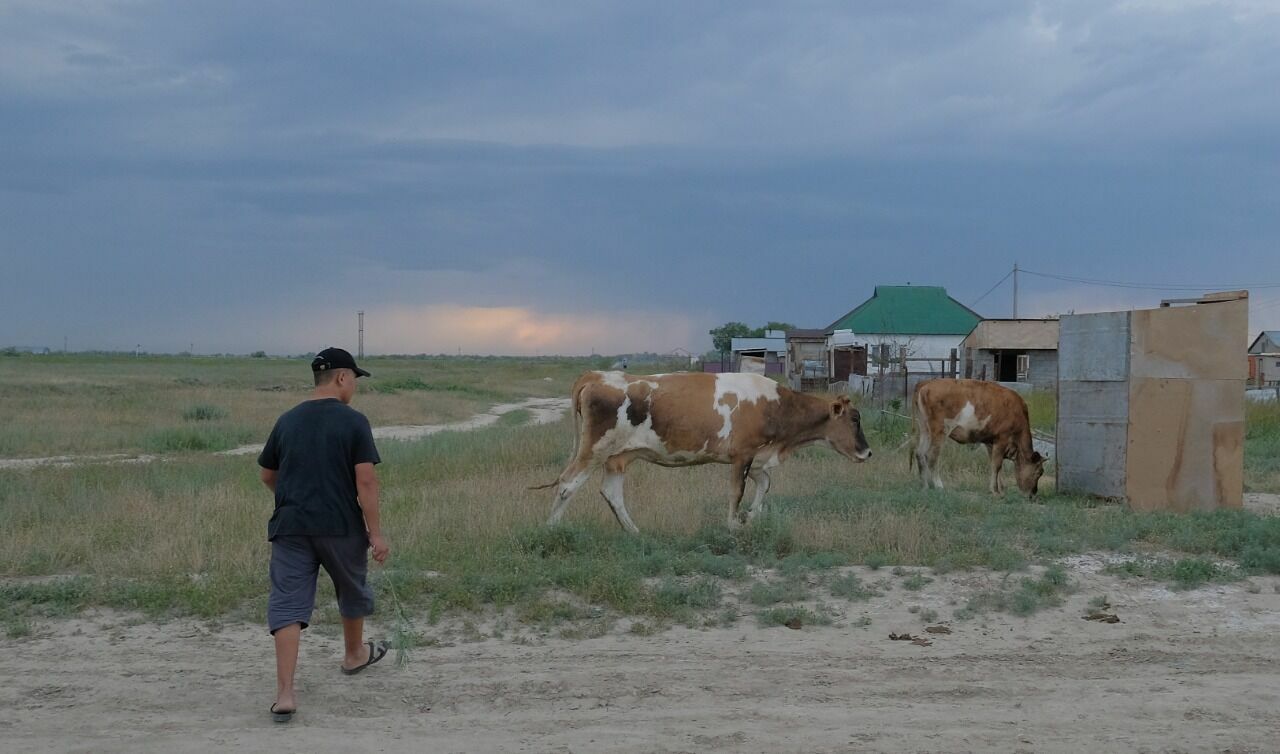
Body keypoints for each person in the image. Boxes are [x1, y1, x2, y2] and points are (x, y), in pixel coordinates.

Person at [257, 346, 391, 723]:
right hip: (340, 525)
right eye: (355, 380)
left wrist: (292, 498)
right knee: (351, 589)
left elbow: (267, 474)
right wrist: (376, 533)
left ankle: (285, 693)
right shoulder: (354, 421)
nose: (355, 387)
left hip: (290, 526)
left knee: (288, 603)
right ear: (342, 377)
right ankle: (354, 655)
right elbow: (366, 481)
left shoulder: (287, 420)